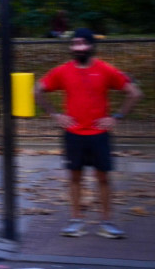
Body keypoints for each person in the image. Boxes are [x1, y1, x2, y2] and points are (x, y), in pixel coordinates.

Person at [35, 29, 142, 238]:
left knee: (103, 178)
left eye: (82, 43)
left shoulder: (105, 70)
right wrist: (55, 115)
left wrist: (116, 117)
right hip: (73, 133)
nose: (77, 47)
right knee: (75, 178)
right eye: (74, 43)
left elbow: (135, 93)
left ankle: (107, 222)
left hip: (99, 134)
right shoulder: (63, 71)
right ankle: (76, 221)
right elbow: (37, 89)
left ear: (91, 46)